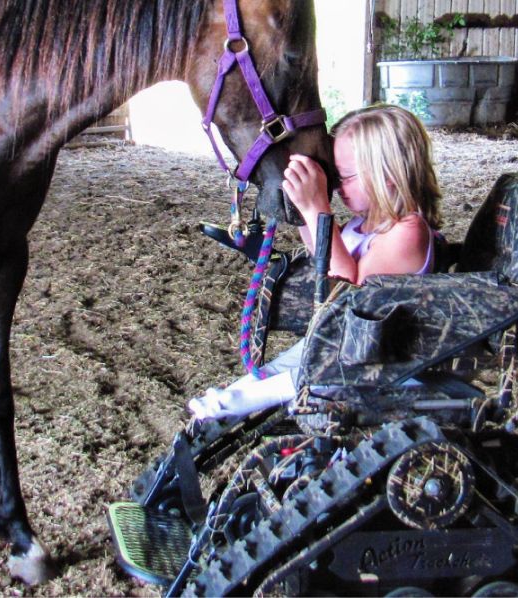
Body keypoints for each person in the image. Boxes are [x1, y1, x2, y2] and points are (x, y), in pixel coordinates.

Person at [189, 104, 443, 420]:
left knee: (292, 379)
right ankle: (227, 403)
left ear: (388, 175)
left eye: (345, 176)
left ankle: (227, 405)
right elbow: (321, 255)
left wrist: (318, 209)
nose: (336, 186)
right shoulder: (361, 224)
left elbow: (344, 292)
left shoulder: (408, 232)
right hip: (340, 348)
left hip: (369, 362)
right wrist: (299, 210)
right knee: (269, 373)